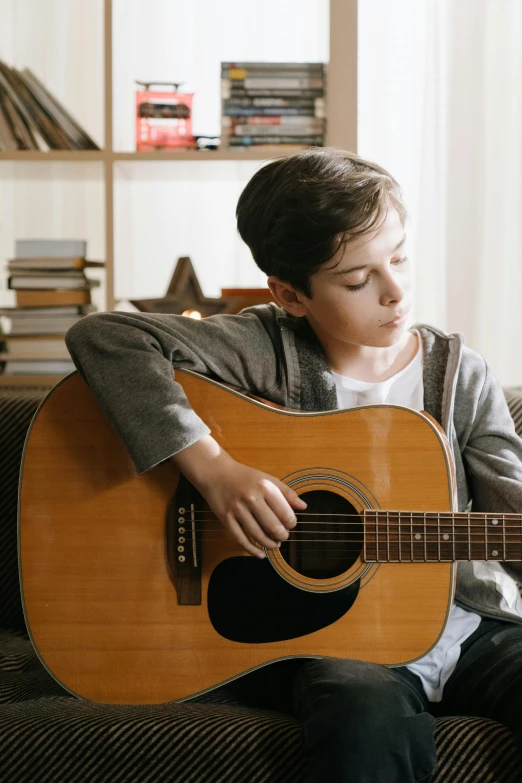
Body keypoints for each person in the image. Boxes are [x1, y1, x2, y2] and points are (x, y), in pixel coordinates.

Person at [65, 148, 522, 783]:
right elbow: (106, 337)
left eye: (400, 257)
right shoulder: (263, 349)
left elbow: (511, 515)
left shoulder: (460, 375)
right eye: (359, 281)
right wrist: (215, 472)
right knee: (361, 723)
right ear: (290, 294)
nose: (395, 291)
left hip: (470, 627)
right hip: (345, 641)